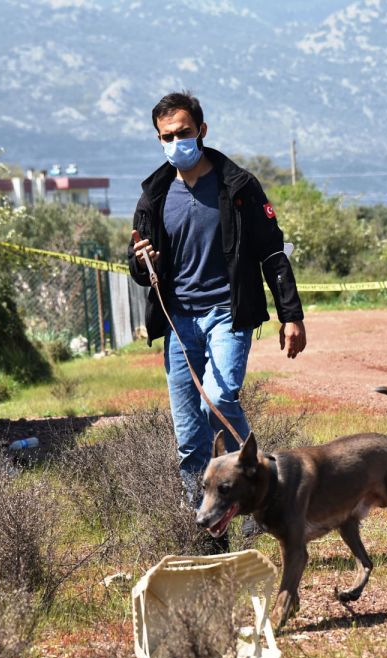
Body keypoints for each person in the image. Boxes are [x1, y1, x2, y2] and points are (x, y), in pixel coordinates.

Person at [128, 91, 307, 545]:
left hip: (228, 314)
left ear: (202, 131)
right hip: (178, 323)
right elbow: (140, 268)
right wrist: (140, 260)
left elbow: (272, 252)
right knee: (189, 440)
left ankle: (268, 483)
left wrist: (291, 315)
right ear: (159, 139)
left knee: (220, 396)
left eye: (184, 133)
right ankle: (211, 533)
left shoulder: (238, 187)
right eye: (167, 136)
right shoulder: (154, 193)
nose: (176, 142)